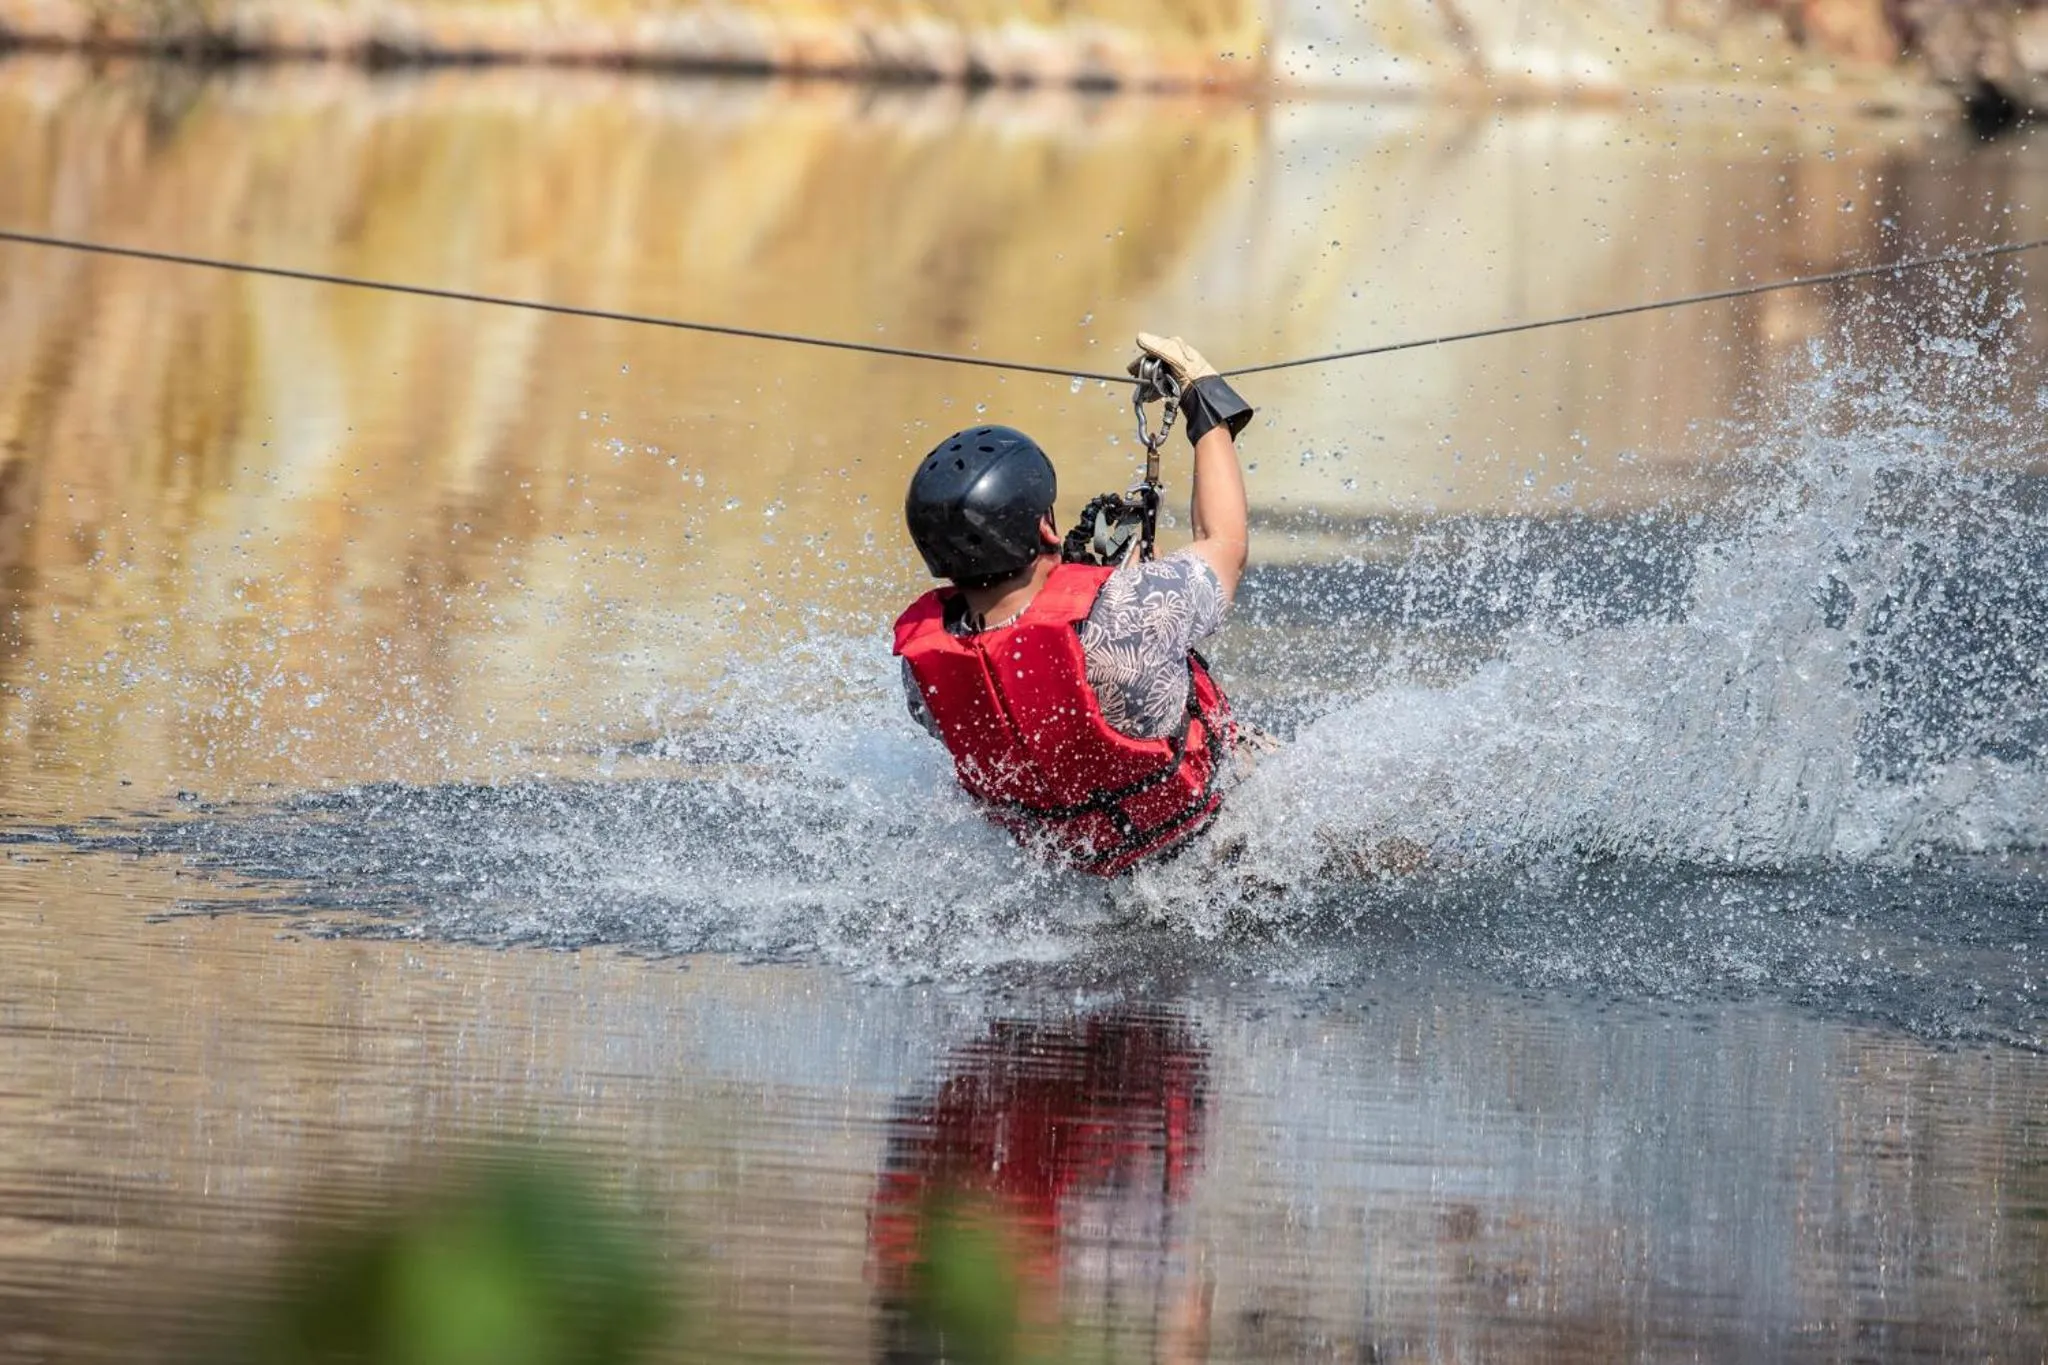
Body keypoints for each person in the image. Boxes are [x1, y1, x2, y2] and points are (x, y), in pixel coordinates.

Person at [892, 333, 1254, 876]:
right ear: (1045, 525)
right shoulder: (1133, 609)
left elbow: (1037, 682)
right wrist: (1204, 397)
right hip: (1219, 840)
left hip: (1081, 865)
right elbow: (1225, 542)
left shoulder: (923, 674)